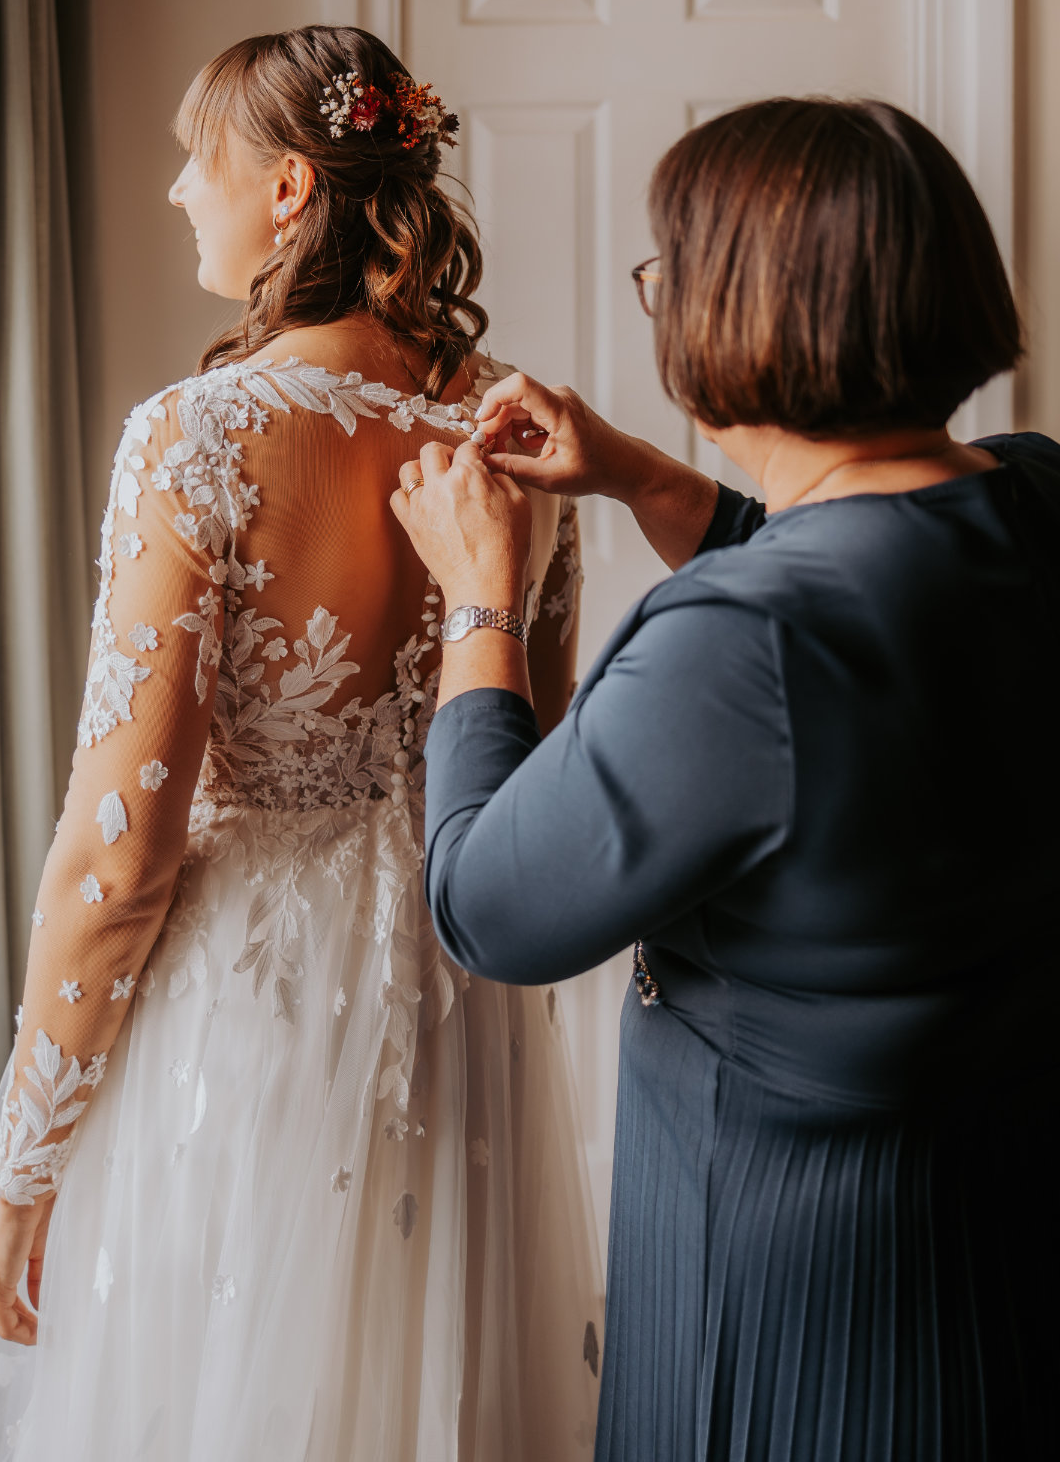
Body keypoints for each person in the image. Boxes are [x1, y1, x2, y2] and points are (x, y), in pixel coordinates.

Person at [0, 26, 602, 1462]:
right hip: (456, 1004)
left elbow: (125, 840)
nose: (175, 191)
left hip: (251, 1020)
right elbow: (517, 758)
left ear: (289, 187)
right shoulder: (521, 429)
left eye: (194, 157)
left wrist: (26, 1169)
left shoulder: (198, 436)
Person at [391, 98, 1060, 1462]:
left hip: (791, 1286)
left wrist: (482, 604)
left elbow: (487, 905)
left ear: (733, 318)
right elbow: (869, 549)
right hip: (995, 1240)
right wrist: (642, 479)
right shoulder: (1035, 499)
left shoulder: (739, 640)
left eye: (664, 275)